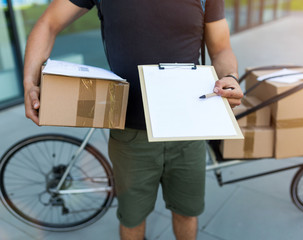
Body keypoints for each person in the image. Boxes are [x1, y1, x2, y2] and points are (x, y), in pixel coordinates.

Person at [23, 0, 243, 239]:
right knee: (132, 219)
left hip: (188, 130)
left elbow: (221, 48)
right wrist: (29, 83)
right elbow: (48, 23)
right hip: (129, 132)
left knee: (187, 213)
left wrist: (230, 77)